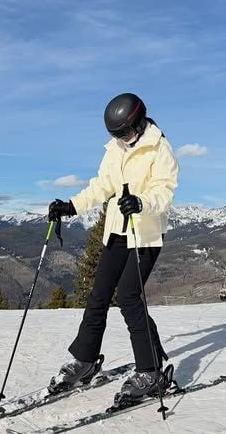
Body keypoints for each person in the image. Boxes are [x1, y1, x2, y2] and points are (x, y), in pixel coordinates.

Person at [47, 92, 179, 401]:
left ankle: (150, 371)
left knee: (129, 297)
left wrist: (142, 202)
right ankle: (85, 361)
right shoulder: (115, 150)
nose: (123, 139)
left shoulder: (160, 149)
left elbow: (164, 192)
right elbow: (101, 186)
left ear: (139, 120)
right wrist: (71, 206)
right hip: (117, 232)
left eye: (126, 133)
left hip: (144, 234)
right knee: (98, 297)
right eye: (117, 135)